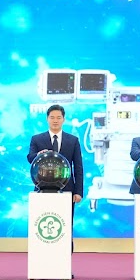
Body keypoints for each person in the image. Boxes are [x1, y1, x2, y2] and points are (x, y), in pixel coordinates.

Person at [27, 104, 85, 255]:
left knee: (65, 225)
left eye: (58, 117)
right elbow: (30, 157)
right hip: (42, 189)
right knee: (42, 223)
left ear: (63, 119)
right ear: (47, 119)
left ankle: (65, 260)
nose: (55, 120)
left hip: (67, 190)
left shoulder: (73, 140)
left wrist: (78, 191)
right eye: (52, 117)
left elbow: (78, 167)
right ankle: (42, 258)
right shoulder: (37, 139)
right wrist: (38, 155)